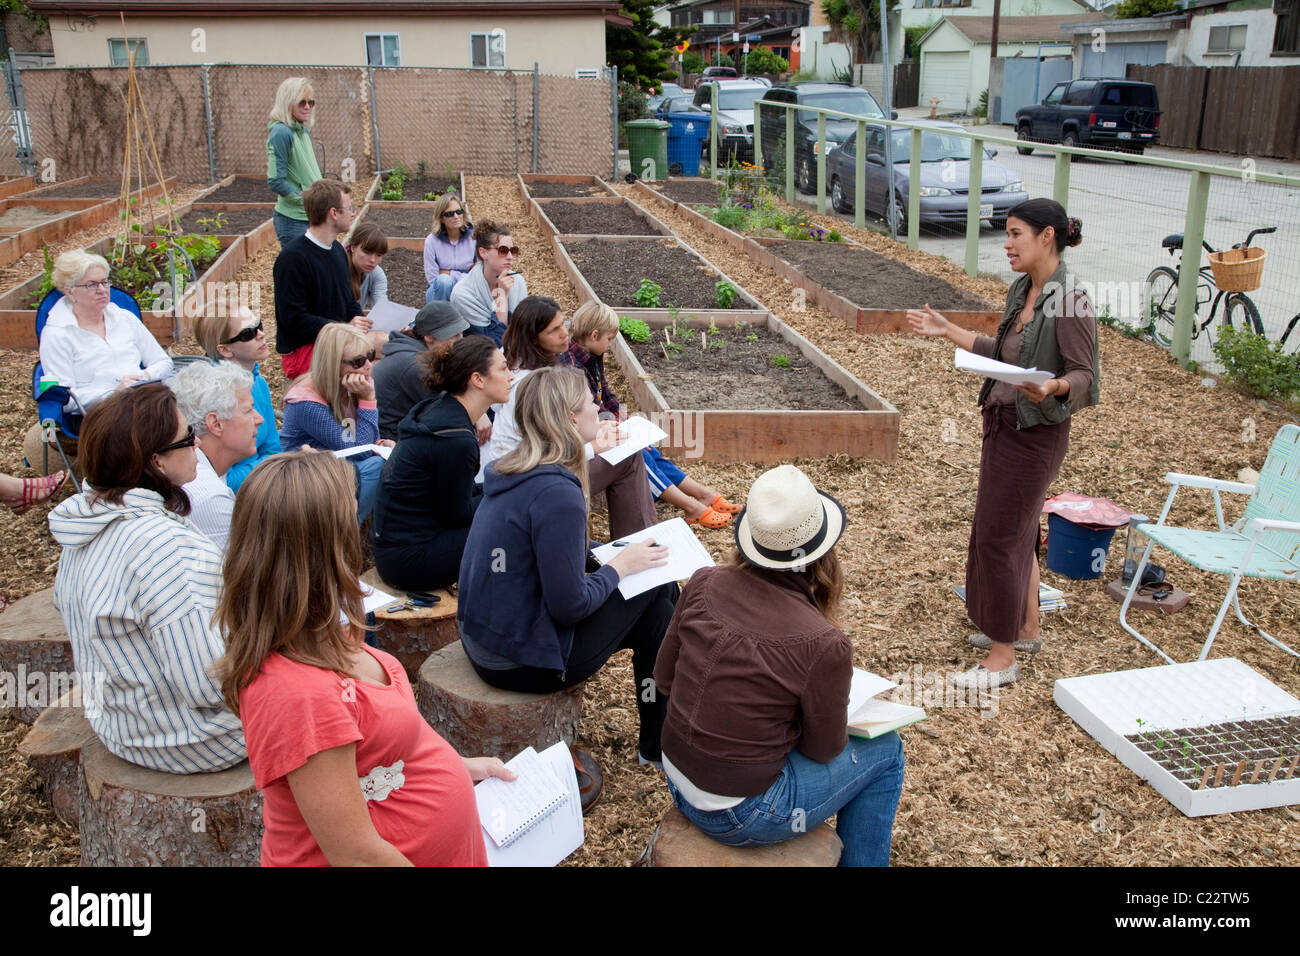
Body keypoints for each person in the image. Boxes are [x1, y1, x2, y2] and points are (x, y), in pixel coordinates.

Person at [212, 452, 515, 866]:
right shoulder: (295, 693)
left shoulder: (320, 631)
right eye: (348, 522)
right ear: (320, 549)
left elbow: (372, 753)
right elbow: (358, 857)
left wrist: (454, 766)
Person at [654, 464, 905, 867]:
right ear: (824, 550)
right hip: (744, 813)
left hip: (677, 777)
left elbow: (663, 680)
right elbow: (824, 750)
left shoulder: (703, 582)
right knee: (889, 751)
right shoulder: (823, 643)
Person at [907, 199, 1098, 689]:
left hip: (1033, 434)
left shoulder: (1069, 299)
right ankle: (1027, 628)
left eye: (1015, 234)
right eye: (1006, 235)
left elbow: (1084, 376)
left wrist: (1050, 386)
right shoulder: (1024, 288)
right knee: (1018, 531)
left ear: (1047, 236)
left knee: (999, 538)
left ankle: (1003, 656)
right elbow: (1005, 353)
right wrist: (947, 330)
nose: (1007, 244)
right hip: (1003, 423)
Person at [459, 366, 678, 771]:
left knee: (660, 608)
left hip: (485, 640)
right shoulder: (558, 492)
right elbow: (569, 606)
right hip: (520, 662)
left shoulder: (516, 467)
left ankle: (658, 740)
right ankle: (660, 744)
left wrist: (607, 552)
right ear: (572, 419)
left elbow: (542, 552)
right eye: (590, 402)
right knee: (660, 588)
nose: (600, 407)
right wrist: (620, 566)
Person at [47, 383, 246, 774]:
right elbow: (206, 684)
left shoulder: (88, 522)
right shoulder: (166, 549)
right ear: (157, 461)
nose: (197, 445)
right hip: (194, 740)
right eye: (187, 437)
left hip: (121, 726)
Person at [483, 295, 655, 540]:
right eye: (554, 330)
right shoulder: (535, 386)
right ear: (534, 338)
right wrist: (595, 445)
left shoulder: (515, 359)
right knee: (627, 458)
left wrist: (598, 428)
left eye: (563, 323)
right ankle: (636, 545)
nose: (565, 333)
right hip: (527, 481)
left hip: (521, 471)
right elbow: (547, 456)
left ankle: (633, 543)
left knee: (624, 446)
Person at [560, 300, 741, 529]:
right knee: (636, 454)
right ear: (594, 335)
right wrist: (618, 426)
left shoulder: (590, 356)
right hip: (586, 438)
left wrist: (621, 417)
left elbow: (605, 394)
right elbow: (588, 412)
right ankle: (691, 507)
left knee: (649, 449)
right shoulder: (571, 368)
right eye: (609, 339)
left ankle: (702, 494)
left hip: (600, 427)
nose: (611, 344)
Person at [372, 337, 510, 593]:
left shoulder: (442, 411)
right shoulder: (455, 438)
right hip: (410, 562)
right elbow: (457, 514)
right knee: (511, 524)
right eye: (503, 368)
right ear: (477, 380)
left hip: (396, 549)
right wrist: (509, 492)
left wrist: (503, 482)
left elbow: (461, 493)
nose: (510, 376)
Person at [27, 250, 174, 473]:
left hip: (143, 396)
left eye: (105, 282)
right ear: (70, 291)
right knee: (158, 426)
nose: (103, 290)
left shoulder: (124, 317)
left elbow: (163, 362)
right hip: (95, 414)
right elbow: (65, 397)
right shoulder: (57, 334)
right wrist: (114, 392)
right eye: (92, 285)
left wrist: (144, 377)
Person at [279, 323, 391, 522]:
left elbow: (358, 439)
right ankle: (346, 531)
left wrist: (380, 444)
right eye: (358, 361)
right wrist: (367, 401)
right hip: (302, 479)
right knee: (375, 466)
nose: (368, 365)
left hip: (331, 465)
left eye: (370, 356)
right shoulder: (306, 404)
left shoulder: (345, 387)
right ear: (333, 365)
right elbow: (360, 450)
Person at [272, 179, 369, 381]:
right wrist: (343, 328)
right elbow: (294, 318)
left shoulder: (338, 251)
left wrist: (358, 321)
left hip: (338, 338)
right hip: (307, 349)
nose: (352, 212)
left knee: (383, 344)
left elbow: (349, 300)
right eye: (349, 208)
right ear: (333, 213)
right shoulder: (293, 258)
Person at [167, 362, 263, 552]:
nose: (259, 419)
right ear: (216, 423)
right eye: (248, 410)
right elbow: (241, 573)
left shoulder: (201, 470)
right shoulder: (210, 497)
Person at [192, 306, 282, 491]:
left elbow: (274, 448)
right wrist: (269, 465)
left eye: (259, 325)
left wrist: (269, 463)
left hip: (263, 483)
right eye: (248, 333)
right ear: (224, 349)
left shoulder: (259, 383)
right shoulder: (213, 399)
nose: (261, 335)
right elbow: (224, 479)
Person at [372, 301, 471, 440]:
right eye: (453, 335)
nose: (460, 342)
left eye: (461, 334)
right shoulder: (415, 364)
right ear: (429, 336)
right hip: (387, 442)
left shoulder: (415, 351)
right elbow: (452, 411)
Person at [449, 219, 527, 346]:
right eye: (502, 250)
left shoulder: (518, 282)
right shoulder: (463, 295)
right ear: (483, 252)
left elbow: (525, 329)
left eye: (512, 250)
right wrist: (501, 296)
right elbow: (496, 343)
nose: (510, 257)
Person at [267, 77, 322, 248]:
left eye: (310, 102)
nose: (307, 107)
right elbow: (276, 181)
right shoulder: (281, 133)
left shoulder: (302, 131)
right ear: (287, 102)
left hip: (312, 216)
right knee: (299, 273)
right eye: (301, 102)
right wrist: (306, 201)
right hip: (294, 220)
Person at [423, 193, 476, 303]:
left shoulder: (474, 239)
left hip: (466, 291)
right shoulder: (431, 241)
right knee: (444, 281)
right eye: (450, 214)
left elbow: (477, 274)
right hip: (438, 293)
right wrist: (463, 275)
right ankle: (442, 318)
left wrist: (448, 273)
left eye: (459, 211)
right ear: (441, 218)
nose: (456, 216)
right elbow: (433, 278)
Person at [347, 220, 390, 314]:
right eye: (367, 252)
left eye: (378, 255)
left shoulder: (376, 274)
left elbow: (381, 306)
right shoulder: (339, 269)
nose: (373, 260)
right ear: (353, 247)